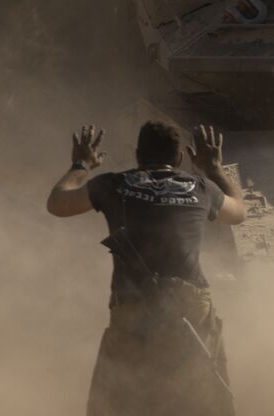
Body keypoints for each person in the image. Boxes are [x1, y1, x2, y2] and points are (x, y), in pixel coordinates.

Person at [47, 121, 247, 416]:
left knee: (120, 401)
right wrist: (214, 168)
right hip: (190, 308)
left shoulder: (112, 184)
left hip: (135, 305)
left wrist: (81, 163)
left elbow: (57, 204)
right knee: (203, 398)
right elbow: (239, 213)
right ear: (179, 159)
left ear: (138, 155)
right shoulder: (201, 188)